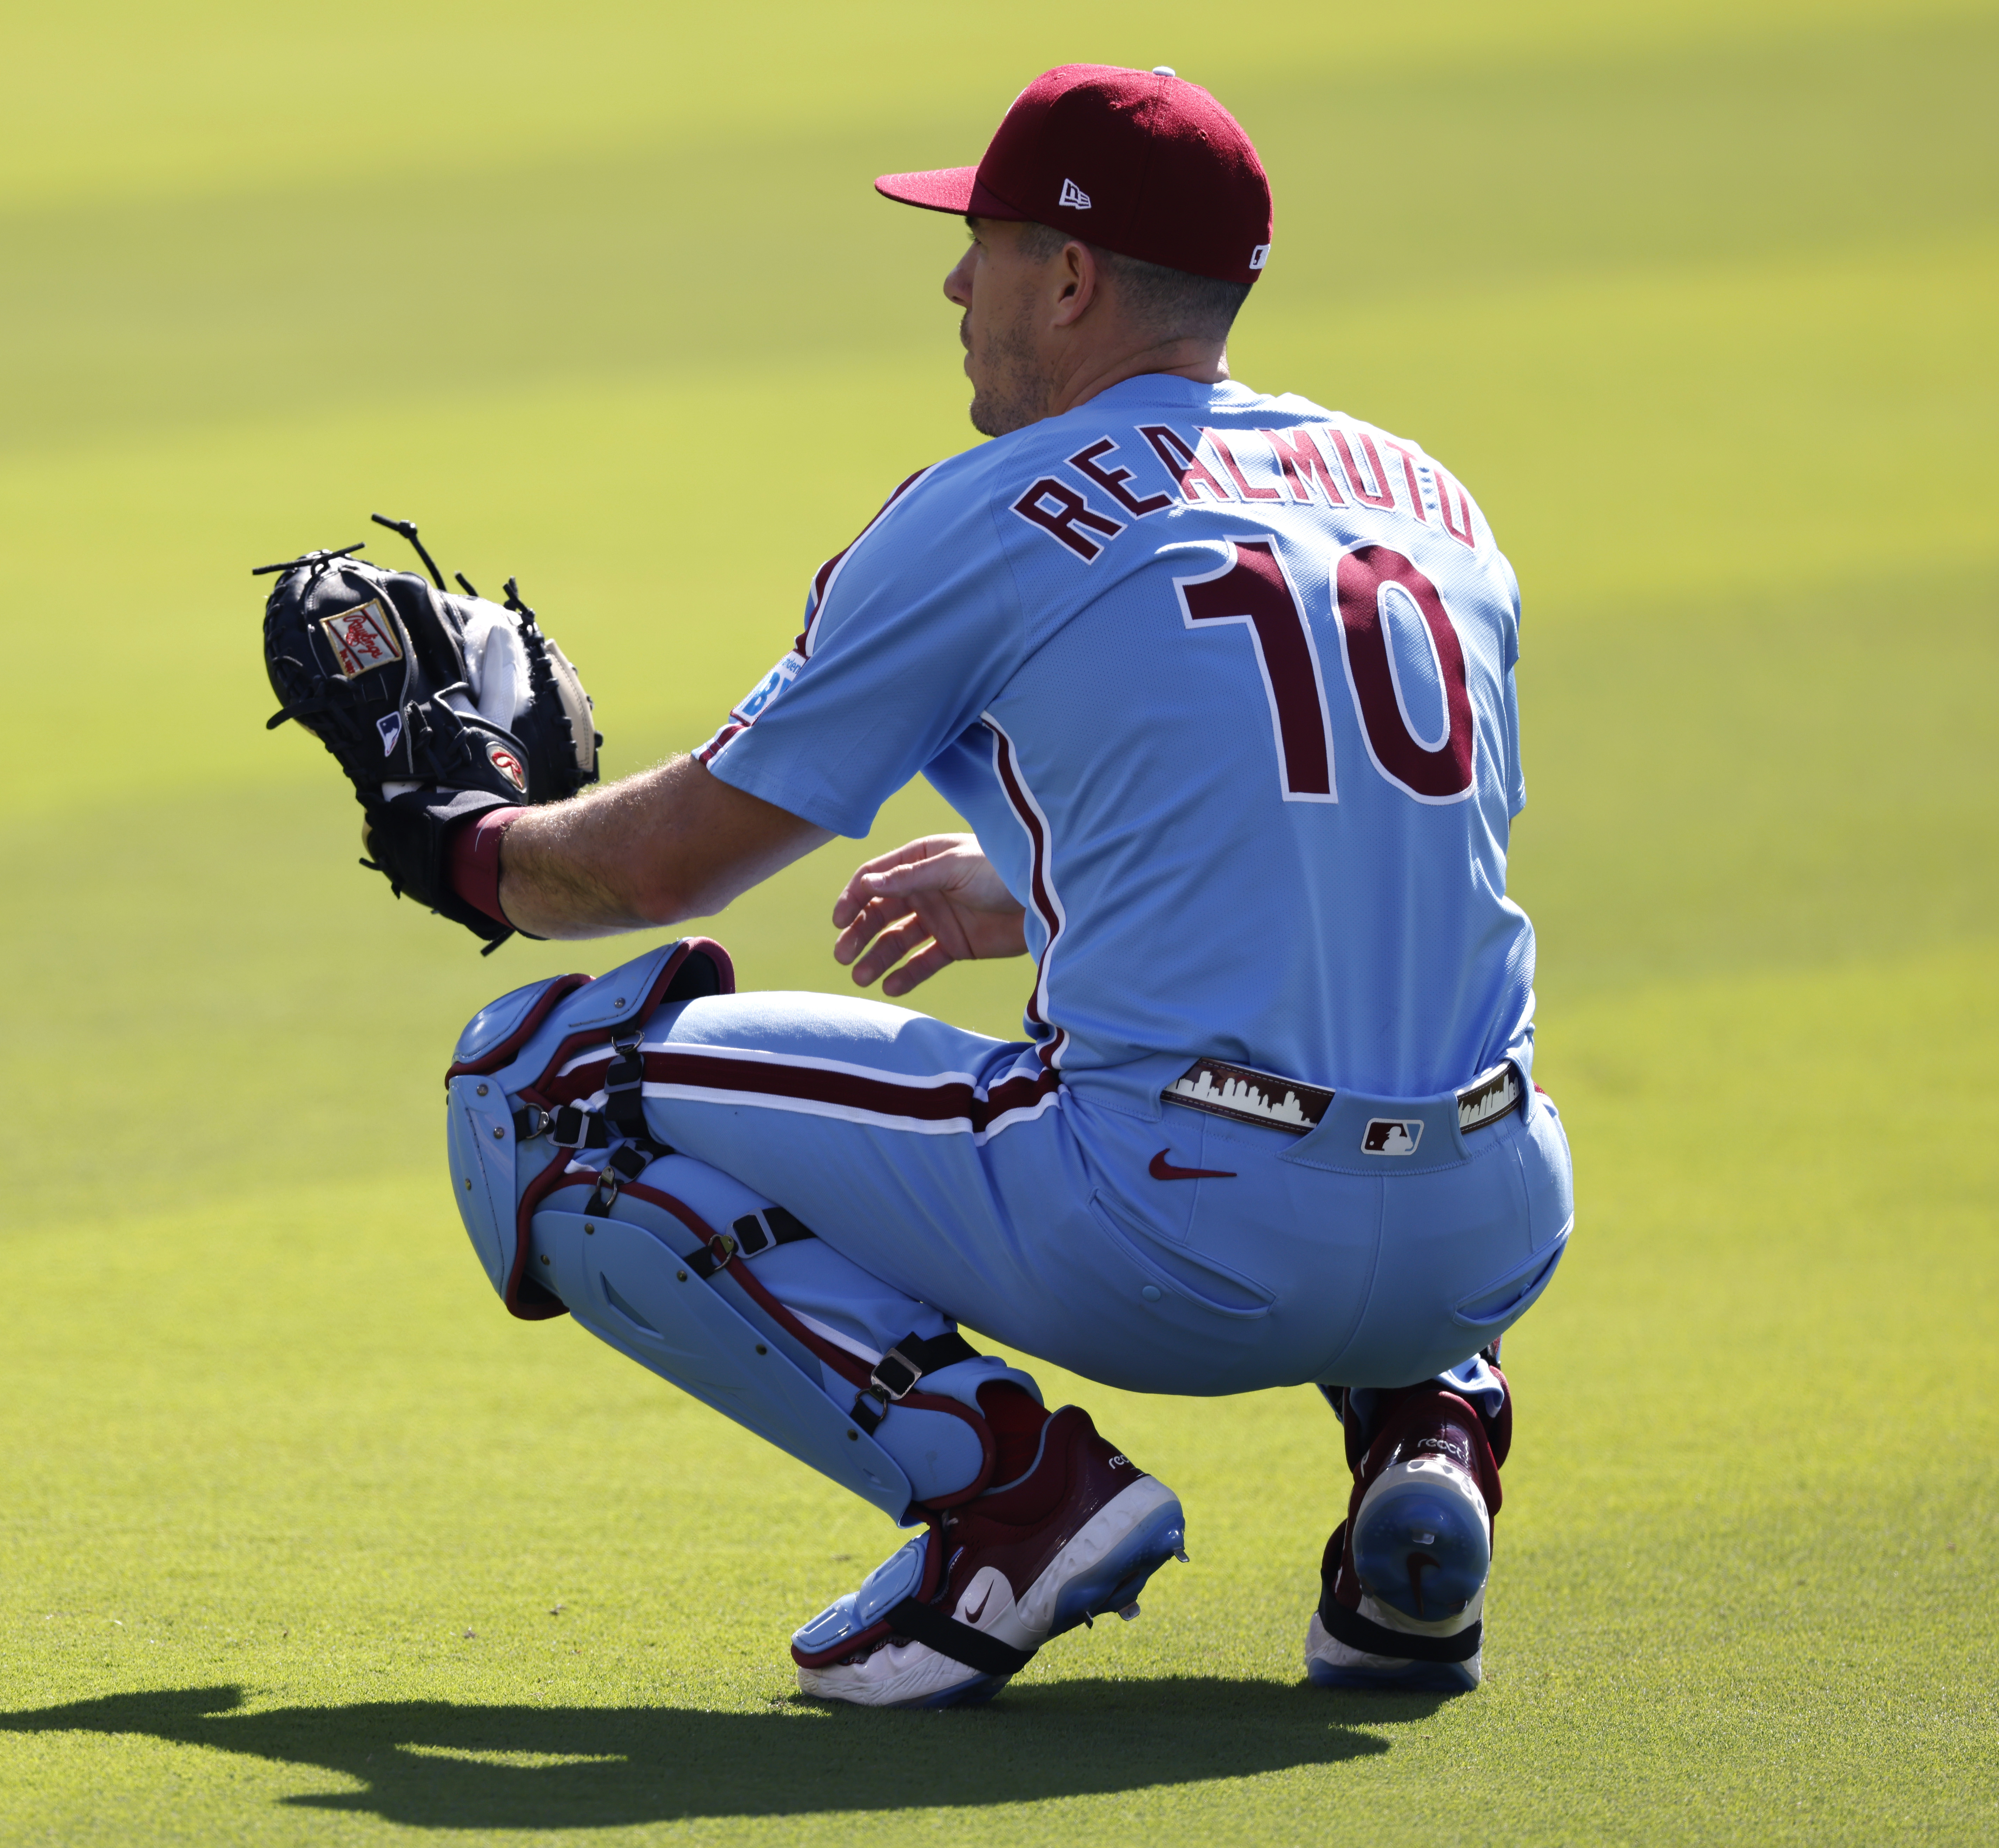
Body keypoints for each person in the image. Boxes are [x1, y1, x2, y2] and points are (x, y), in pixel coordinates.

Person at [432, 62, 1571, 1707]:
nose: (956, 283)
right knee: (1391, 1036)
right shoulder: (1435, 503)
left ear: (1072, 279)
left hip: (1182, 1233)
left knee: (538, 1077)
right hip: (1486, 1222)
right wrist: (1044, 889)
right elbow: (1386, 850)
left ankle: (1010, 1500)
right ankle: (1431, 1432)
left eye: (985, 242)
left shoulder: (977, 515)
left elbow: (656, 867)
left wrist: (460, 836)